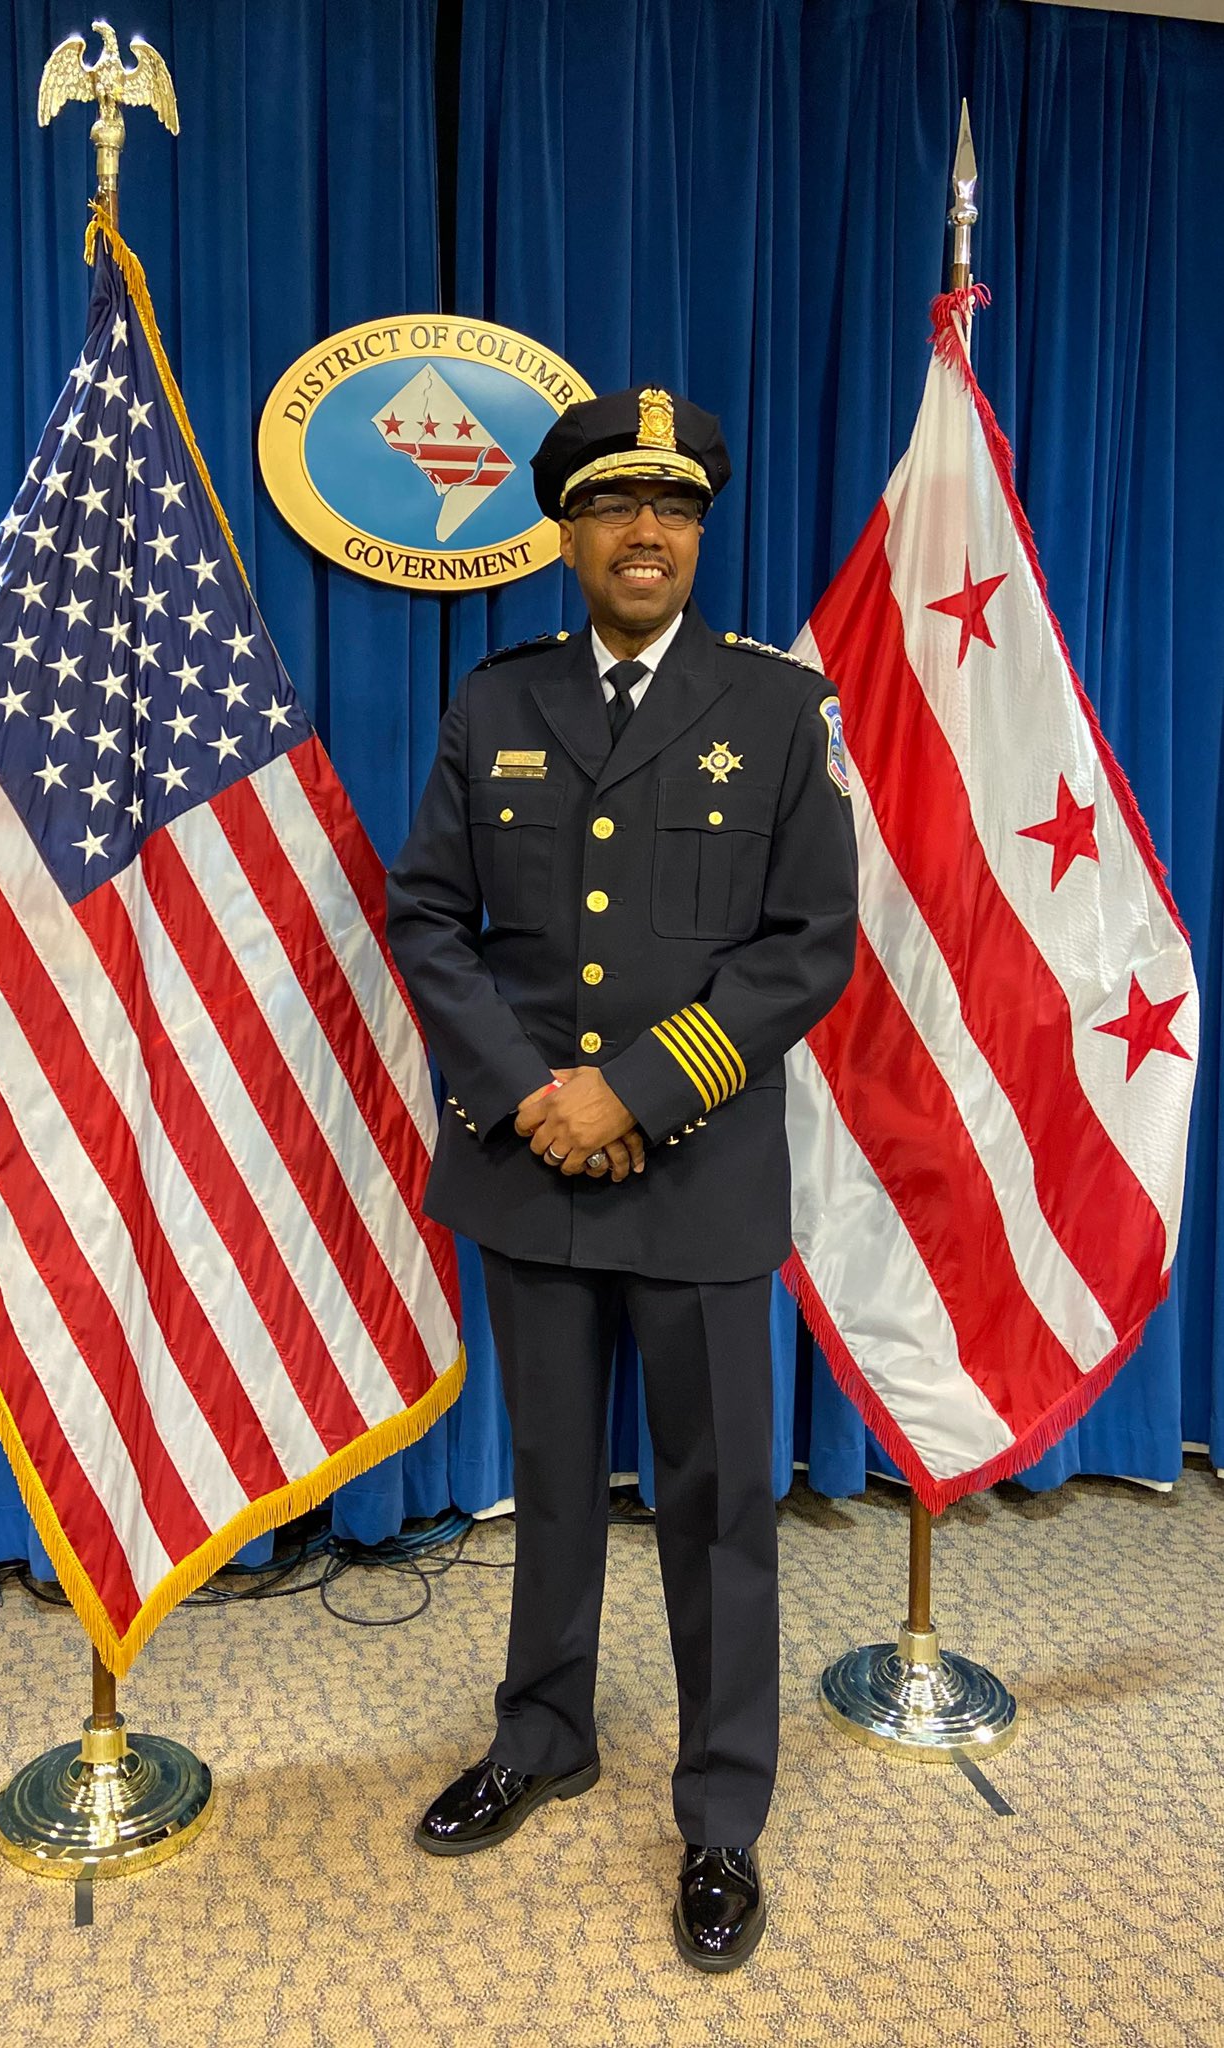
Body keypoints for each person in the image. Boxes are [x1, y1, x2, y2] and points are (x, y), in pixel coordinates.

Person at [384, 386, 858, 1971]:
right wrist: (533, 1102)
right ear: (567, 536)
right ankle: (543, 1733)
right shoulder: (492, 704)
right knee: (553, 1477)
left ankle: (721, 1813)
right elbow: (429, 923)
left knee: (718, 1501)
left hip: (697, 1172)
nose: (643, 534)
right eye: (610, 509)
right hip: (530, 1171)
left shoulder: (776, 712)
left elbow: (807, 950)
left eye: (671, 511)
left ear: (697, 533)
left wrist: (634, 1093)